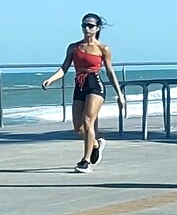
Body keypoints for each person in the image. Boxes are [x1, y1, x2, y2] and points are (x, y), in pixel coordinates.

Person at [42, 13, 125, 173]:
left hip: (95, 85)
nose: (87, 28)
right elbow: (64, 68)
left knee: (88, 122)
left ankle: (86, 161)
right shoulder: (74, 47)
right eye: (84, 25)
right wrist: (51, 79)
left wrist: (120, 95)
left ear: (97, 28)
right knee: (78, 127)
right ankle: (95, 144)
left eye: (90, 25)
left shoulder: (103, 48)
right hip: (79, 85)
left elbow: (109, 71)